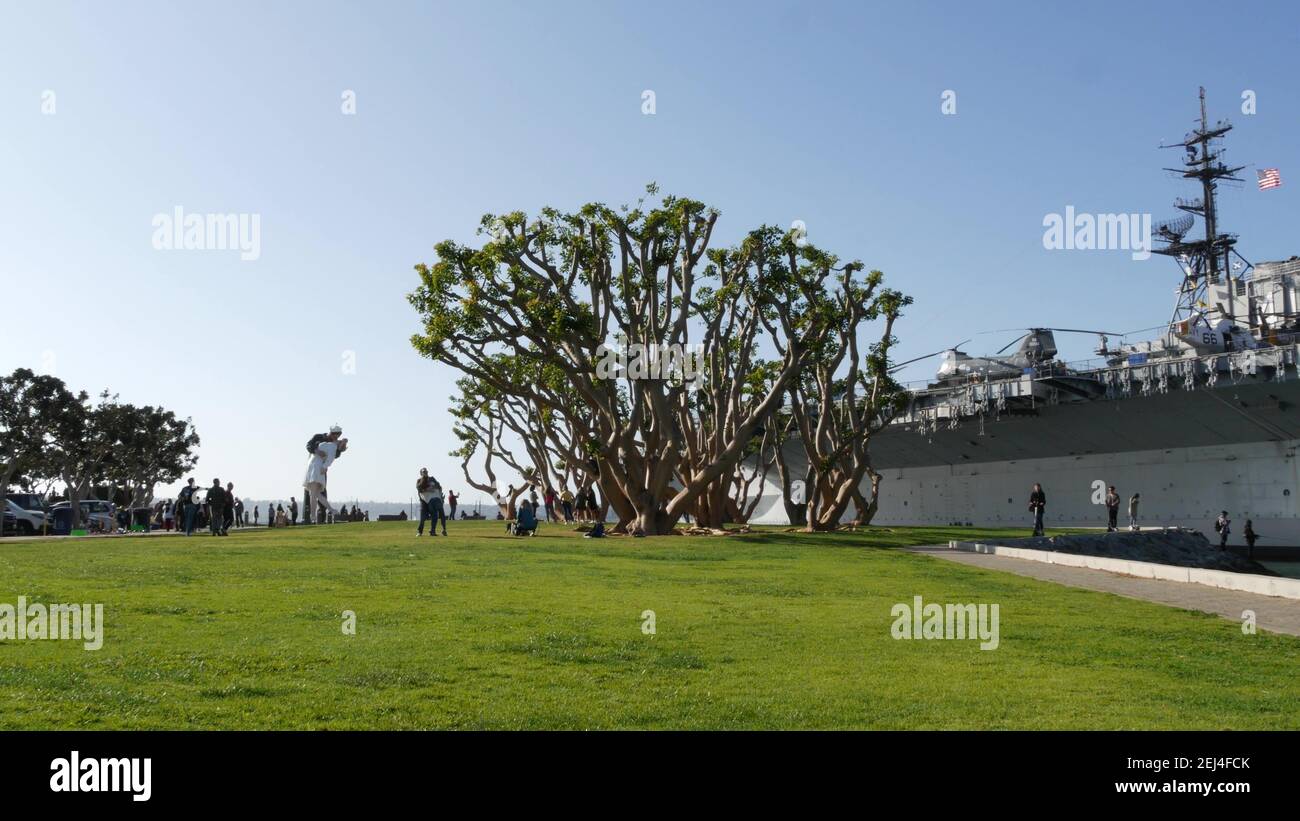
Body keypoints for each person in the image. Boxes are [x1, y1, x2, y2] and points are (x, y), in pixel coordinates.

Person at [303, 425, 346, 524]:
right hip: (315, 466)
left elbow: (332, 457)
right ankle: (329, 510)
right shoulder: (320, 438)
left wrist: (325, 466)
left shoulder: (332, 446)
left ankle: (314, 516)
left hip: (317, 467)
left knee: (314, 493)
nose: (336, 437)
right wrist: (316, 451)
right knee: (316, 493)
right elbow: (309, 445)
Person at [416, 468, 436, 536]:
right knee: (422, 518)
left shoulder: (431, 479)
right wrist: (428, 489)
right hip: (423, 501)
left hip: (431, 501)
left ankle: (432, 531)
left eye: (426, 471)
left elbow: (435, 487)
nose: (425, 473)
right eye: (424, 472)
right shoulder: (419, 480)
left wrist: (430, 488)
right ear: (421, 473)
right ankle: (419, 532)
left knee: (434, 517)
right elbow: (419, 489)